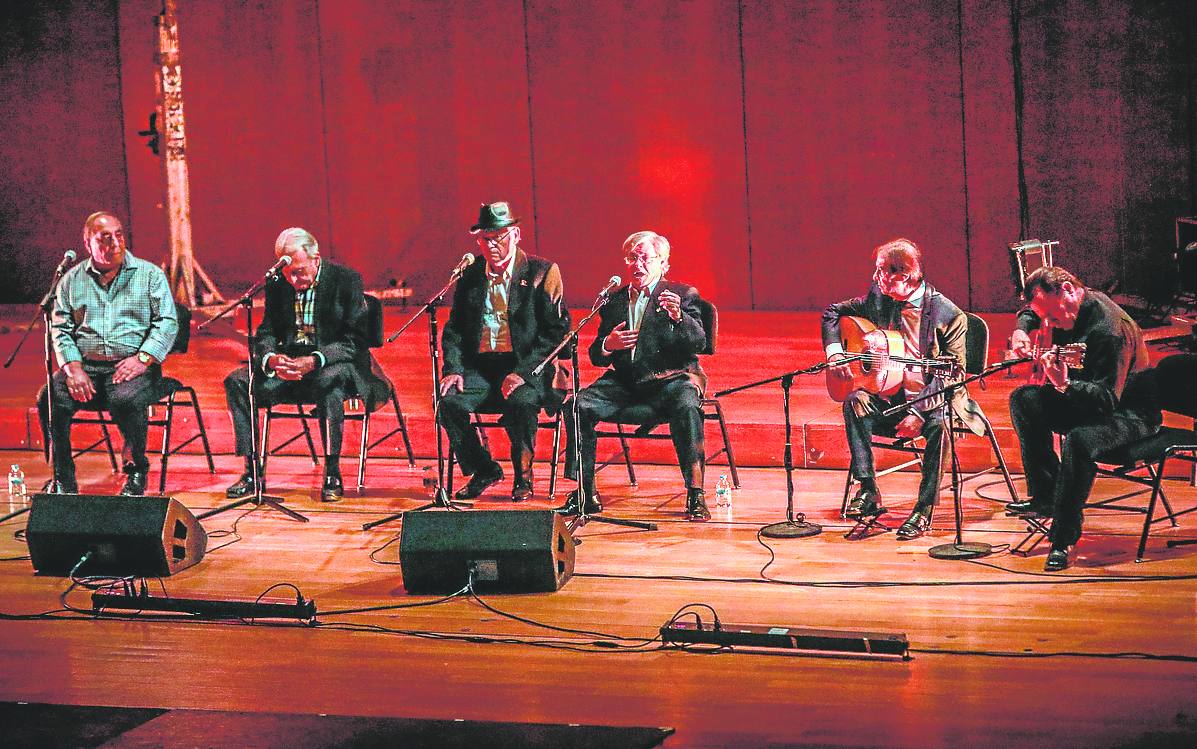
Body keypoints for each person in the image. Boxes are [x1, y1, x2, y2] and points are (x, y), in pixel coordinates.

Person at [823, 237, 984, 539]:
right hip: (892, 398)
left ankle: (924, 510)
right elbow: (833, 313)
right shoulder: (879, 298)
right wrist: (835, 353)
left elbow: (953, 374)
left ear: (905, 276)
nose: (876, 278)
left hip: (936, 403)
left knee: (941, 428)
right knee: (855, 400)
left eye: (882, 271)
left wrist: (920, 413)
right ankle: (868, 489)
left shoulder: (949, 315)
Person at [223, 227, 389, 502]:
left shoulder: (346, 280)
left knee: (330, 382)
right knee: (238, 382)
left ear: (316, 259)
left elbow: (354, 341)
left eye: (299, 271)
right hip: (291, 366)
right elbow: (266, 333)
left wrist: (313, 361)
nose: (294, 278)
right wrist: (271, 359)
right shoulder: (279, 284)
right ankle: (251, 471)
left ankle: (332, 470)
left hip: (334, 362)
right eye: (289, 273)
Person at [1006, 266, 1151, 570]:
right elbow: (1032, 311)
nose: (1049, 322)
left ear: (1069, 290)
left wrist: (1064, 384)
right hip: (1085, 398)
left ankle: (1064, 536)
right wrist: (1022, 328)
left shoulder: (1110, 330)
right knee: (1024, 399)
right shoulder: (1064, 305)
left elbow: (1107, 401)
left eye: (1052, 315)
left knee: (1079, 439)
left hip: (1129, 414)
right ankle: (1046, 496)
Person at [560, 230, 711, 521]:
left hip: (672, 379)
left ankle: (695, 492)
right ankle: (585, 492)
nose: (637, 264)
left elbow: (698, 344)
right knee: (576, 406)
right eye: (632, 258)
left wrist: (679, 318)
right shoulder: (614, 301)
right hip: (627, 382)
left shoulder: (682, 295)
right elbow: (595, 355)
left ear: (662, 263)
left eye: (644, 258)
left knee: (688, 404)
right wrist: (608, 345)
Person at [38, 211, 179, 495]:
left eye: (119, 235)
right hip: (87, 367)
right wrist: (73, 368)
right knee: (49, 398)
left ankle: (137, 469)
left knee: (125, 398)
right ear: (87, 243)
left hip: (135, 364)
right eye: (105, 238)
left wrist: (143, 358)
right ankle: (63, 476)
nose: (115, 243)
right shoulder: (70, 280)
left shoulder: (149, 275)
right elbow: (61, 329)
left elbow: (167, 322)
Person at [438, 201, 570, 502]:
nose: (493, 244)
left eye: (499, 237)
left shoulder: (541, 272)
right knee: (449, 403)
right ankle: (484, 469)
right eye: (486, 238)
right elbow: (454, 329)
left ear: (516, 235)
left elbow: (556, 333)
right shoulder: (470, 275)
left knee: (522, 403)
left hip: (527, 367)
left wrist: (522, 373)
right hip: (482, 367)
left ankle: (524, 477)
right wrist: (454, 369)